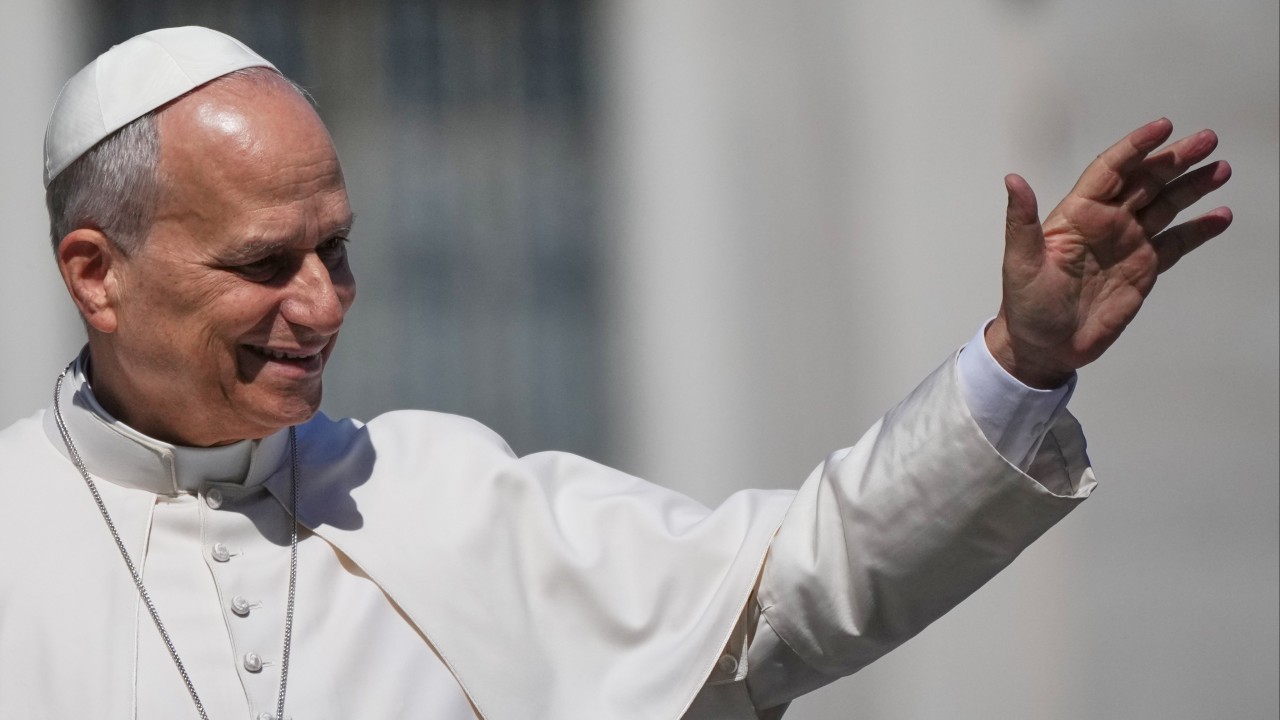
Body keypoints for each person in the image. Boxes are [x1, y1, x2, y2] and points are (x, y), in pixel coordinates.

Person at [0, 26, 1231, 720]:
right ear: (97, 272)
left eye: (338, 248)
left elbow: (790, 588)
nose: (322, 304)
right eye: (267, 264)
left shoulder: (438, 497)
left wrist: (1017, 364)